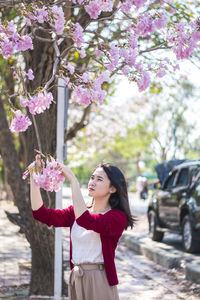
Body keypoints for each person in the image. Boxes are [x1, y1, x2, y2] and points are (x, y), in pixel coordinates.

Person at [30, 155, 135, 300]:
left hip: (99, 279)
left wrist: (73, 181)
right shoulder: (78, 211)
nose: (92, 182)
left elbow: (86, 220)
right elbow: (41, 214)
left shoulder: (117, 217)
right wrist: (34, 177)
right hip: (76, 277)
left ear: (112, 188)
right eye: (92, 178)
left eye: (99, 179)